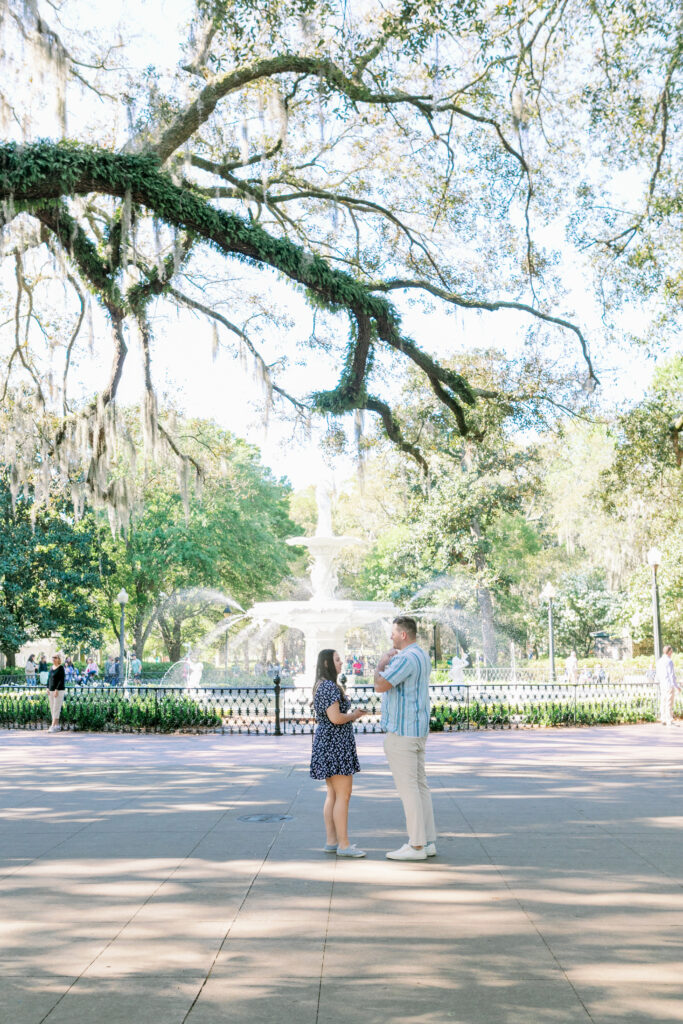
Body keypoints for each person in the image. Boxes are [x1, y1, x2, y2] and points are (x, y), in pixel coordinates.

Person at [374, 615, 436, 861]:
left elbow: (380, 685)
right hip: (417, 730)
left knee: (408, 789)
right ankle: (427, 841)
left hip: (402, 731)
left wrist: (380, 664)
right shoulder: (421, 655)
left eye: (393, 632)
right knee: (420, 787)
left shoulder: (405, 659)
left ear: (403, 634)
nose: (390, 637)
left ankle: (417, 846)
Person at [310, 649, 367, 858]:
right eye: (337, 659)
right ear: (327, 664)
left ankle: (332, 841)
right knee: (343, 795)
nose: (341, 662)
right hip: (336, 745)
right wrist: (354, 715)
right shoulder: (328, 686)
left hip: (328, 743)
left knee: (333, 794)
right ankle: (344, 845)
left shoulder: (321, 685)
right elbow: (335, 718)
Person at [656, 645, 680, 726]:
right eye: (671, 651)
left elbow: (658, 674)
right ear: (669, 652)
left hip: (662, 684)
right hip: (669, 684)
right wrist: (676, 686)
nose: (672, 652)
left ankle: (663, 718)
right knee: (669, 702)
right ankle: (669, 719)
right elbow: (671, 675)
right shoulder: (669, 661)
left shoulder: (660, 661)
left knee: (663, 701)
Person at [46, 654, 66, 732]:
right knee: (52, 708)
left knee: (56, 708)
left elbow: (61, 680)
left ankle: (52, 725)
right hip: (50, 690)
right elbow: (49, 678)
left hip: (59, 690)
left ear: (59, 659)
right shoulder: (51, 668)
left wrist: (57, 689)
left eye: (55, 658)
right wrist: (47, 687)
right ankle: (57, 726)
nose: (53, 659)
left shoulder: (61, 668)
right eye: (53, 657)